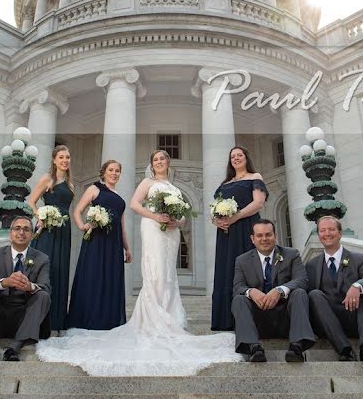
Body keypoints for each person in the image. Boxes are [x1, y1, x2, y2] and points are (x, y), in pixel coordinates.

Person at [36, 150, 242, 376]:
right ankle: (149, 317)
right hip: (143, 230)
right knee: (153, 272)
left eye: (163, 159)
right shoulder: (142, 182)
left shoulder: (174, 189)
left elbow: (183, 216)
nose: (160, 162)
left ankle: (168, 316)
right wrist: (154, 217)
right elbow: (134, 206)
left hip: (164, 234)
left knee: (167, 275)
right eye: (155, 159)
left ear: (168, 163)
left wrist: (175, 222)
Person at [232, 219, 316, 362]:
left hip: (285, 319)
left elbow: (302, 280)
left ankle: (297, 347)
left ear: (275, 236)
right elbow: (238, 287)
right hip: (257, 321)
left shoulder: (291, 254)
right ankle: (253, 348)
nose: (264, 239)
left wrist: (280, 290)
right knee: (239, 298)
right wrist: (251, 291)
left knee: (299, 292)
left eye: (268, 234)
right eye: (259, 235)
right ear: (253, 239)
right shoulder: (242, 260)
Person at [0, 215, 51, 361]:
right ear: (10, 233)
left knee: (43, 295)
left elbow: (46, 287)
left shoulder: (42, 258)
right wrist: (4, 282)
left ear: (32, 235)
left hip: (23, 318)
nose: (21, 233)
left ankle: (15, 348)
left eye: (26, 229)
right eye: (17, 228)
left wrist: (29, 286)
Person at [306, 215, 363, 363]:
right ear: (318, 235)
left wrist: (357, 286)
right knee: (314, 294)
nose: (327, 233)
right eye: (322, 230)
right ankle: (345, 350)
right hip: (327, 324)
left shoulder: (359, 259)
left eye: (331, 229)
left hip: (355, 319)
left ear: (340, 233)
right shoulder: (311, 266)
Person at [64, 159, 132, 330]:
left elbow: (122, 227)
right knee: (93, 276)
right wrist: (82, 226)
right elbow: (77, 210)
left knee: (110, 279)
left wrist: (127, 248)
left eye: (117, 171)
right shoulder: (94, 189)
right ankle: (88, 318)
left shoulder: (120, 199)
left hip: (114, 246)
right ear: (104, 172)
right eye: (111, 170)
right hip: (96, 241)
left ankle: (107, 320)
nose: (114, 173)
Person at [211, 146, 267, 331]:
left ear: (246, 158)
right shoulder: (224, 183)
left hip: (247, 229)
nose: (236, 158)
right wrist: (216, 221)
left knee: (248, 269)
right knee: (227, 268)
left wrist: (235, 217)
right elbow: (214, 208)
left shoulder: (255, 177)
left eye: (239, 155)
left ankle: (252, 316)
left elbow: (258, 203)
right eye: (233, 156)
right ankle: (226, 319)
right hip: (226, 233)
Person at [27, 144, 74, 333]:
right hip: (48, 230)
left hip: (64, 230)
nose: (65, 160)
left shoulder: (71, 184)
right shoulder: (47, 179)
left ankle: (56, 322)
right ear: (54, 160)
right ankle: (38, 321)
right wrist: (40, 216)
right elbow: (31, 201)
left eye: (67, 157)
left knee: (60, 270)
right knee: (46, 269)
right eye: (61, 157)